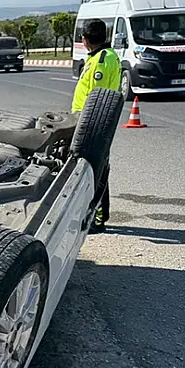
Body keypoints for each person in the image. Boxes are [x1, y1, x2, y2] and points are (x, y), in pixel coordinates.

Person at [72, 17, 122, 233]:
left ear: (85, 39)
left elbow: (97, 99)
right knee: (95, 169)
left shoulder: (102, 60)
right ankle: (97, 214)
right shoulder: (101, 56)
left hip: (94, 125)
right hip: (90, 123)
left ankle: (98, 217)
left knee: (97, 171)